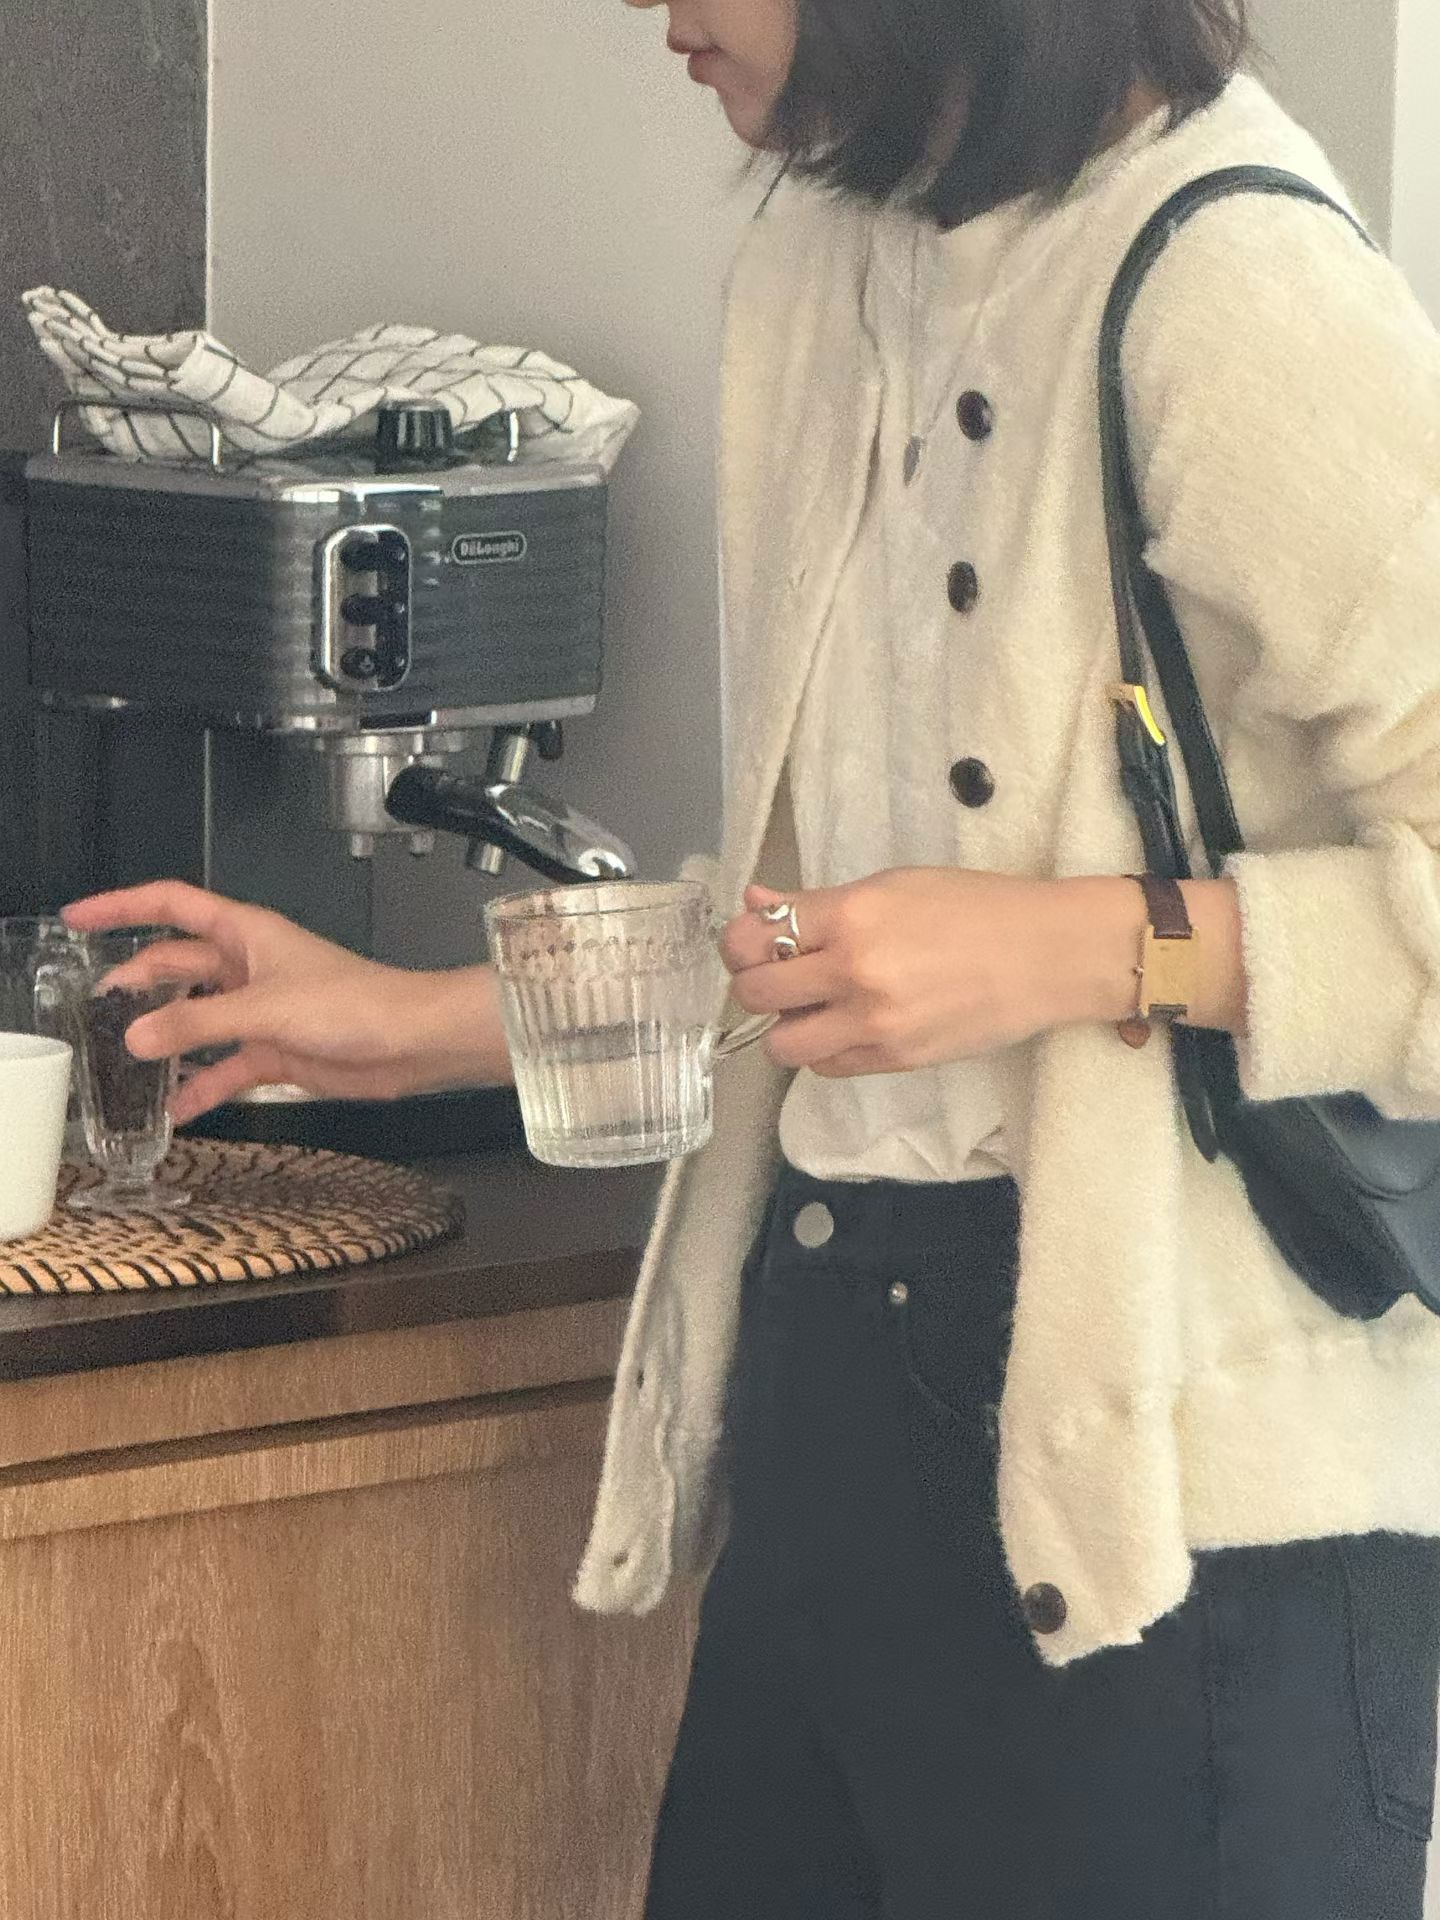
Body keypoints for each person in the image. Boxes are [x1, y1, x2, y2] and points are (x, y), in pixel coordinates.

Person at [69, 0, 1440, 1911]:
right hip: (830, 1394)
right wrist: (419, 1024)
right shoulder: (829, 265)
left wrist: (1101, 949)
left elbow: (1004, 949)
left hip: (1179, 1537)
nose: (663, 14)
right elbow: (841, 930)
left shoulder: (1235, 289)